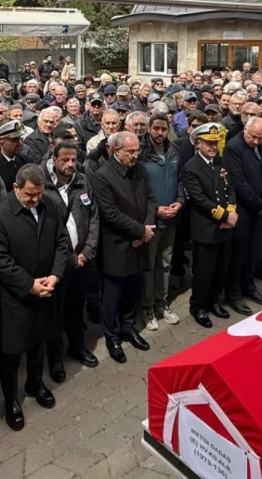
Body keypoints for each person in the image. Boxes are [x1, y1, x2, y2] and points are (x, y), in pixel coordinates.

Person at [0, 164, 71, 431]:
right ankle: (11, 400)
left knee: (39, 343)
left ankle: (35, 383)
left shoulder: (49, 206)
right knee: (11, 354)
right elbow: (0, 260)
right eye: (29, 195)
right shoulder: (0, 216)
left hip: (47, 289)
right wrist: (28, 285)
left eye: (38, 193)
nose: (34, 199)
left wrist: (55, 275)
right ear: (15, 188)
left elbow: (61, 242)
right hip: (16, 298)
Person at [89, 131, 154, 364]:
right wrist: (139, 231)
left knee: (133, 290)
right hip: (116, 246)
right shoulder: (103, 176)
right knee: (112, 295)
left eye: (137, 150)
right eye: (131, 152)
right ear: (116, 151)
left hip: (140, 242)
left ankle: (128, 327)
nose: (136, 155)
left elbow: (149, 199)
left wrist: (146, 228)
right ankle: (112, 335)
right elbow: (110, 213)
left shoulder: (139, 169)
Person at [40, 140, 101, 374]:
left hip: (82, 260)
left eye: (74, 159)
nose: (70, 164)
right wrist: (68, 258)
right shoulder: (43, 186)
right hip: (56, 265)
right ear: (53, 159)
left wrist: (87, 251)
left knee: (77, 308)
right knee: (55, 314)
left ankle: (77, 346)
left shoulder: (82, 181)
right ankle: (55, 358)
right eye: (65, 159)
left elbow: (93, 218)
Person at [180, 123, 236, 329]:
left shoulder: (220, 162)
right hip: (206, 227)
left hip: (225, 225)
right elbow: (199, 199)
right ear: (197, 143)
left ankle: (213, 300)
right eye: (208, 143)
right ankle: (198, 306)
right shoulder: (191, 167)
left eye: (215, 142)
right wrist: (224, 216)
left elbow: (230, 188)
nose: (213, 147)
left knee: (221, 268)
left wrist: (231, 211)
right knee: (204, 271)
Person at [222, 116, 262, 315]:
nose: (255, 141)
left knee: (255, 251)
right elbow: (238, 182)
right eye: (253, 136)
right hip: (244, 209)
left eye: (260, 138)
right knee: (239, 253)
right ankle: (233, 293)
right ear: (245, 129)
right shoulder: (233, 148)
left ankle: (249, 286)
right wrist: (258, 204)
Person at [139, 113, 183, 330]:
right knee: (149, 265)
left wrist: (179, 202)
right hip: (152, 220)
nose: (159, 133)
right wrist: (155, 209)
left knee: (165, 264)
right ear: (149, 129)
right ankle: (147, 306)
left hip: (172, 219)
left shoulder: (174, 151)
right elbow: (139, 189)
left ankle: (161, 303)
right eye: (155, 128)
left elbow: (180, 180)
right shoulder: (142, 154)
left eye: (163, 129)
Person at [0, 120, 27, 192]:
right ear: (1, 144)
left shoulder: (25, 160)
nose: (20, 143)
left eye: (20, 139)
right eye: (14, 140)